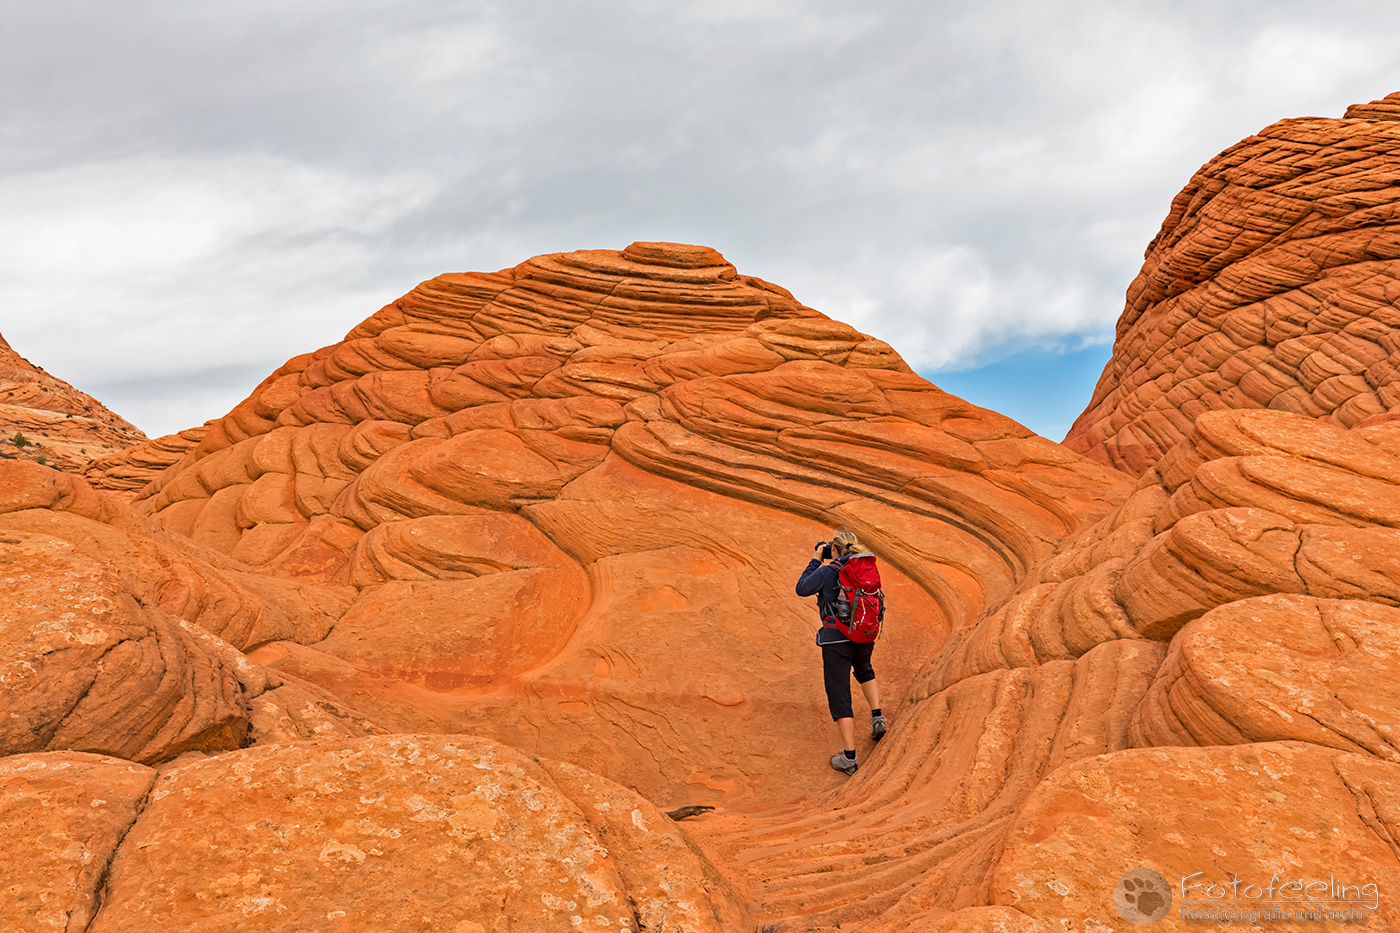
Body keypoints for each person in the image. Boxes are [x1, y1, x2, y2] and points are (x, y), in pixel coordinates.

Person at [795, 529, 886, 775]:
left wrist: (816, 559)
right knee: (865, 669)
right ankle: (878, 718)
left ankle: (849, 758)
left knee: (840, 695)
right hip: (865, 633)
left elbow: (802, 588)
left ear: (833, 549)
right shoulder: (864, 567)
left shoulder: (827, 570)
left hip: (836, 639)